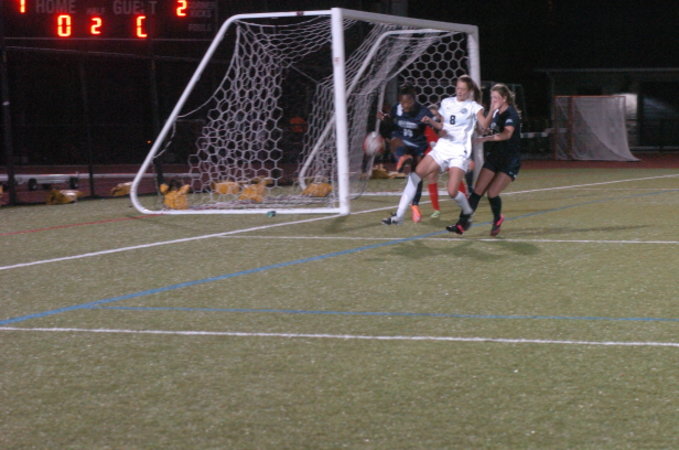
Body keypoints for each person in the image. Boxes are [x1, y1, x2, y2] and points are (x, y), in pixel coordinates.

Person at [382, 75, 484, 228]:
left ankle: (467, 211)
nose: (459, 91)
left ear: (469, 91)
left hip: (459, 152)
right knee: (415, 177)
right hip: (442, 148)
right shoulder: (447, 102)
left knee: (452, 191)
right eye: (458, 88)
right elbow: (441, 125)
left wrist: (489, 120)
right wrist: (432, 123)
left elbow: (483, 125)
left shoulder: (473, 106)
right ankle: (399, 215)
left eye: (463, 89)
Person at [452, 83, 521, 236]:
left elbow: (507, 134)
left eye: (496, 98)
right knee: (477, 191)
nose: (493, 100)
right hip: (494, 157)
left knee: (492, 193)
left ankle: (497, 218)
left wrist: (486, 138)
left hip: (509, 161)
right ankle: (461, 224)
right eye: (492, 98)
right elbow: (487, 129)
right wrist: (479, 127)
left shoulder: (511, 114)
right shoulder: (496, 113)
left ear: (504, 98)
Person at [377, 85, 434, 222]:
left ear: (414, 100)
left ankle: (414, 205)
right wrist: (385, 119)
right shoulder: (397, 108)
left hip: (417, 146)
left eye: (408, 102)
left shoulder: (423, 112)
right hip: (402, 142)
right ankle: (404, 158)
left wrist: (434, 122)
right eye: (402, 102)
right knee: (395, 141)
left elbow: (436, 126)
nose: (405, 105)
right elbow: (392, 124)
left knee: (416, 176)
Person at [423, 104, 470, 219]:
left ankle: (466, 200)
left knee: (454, 175)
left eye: (436, 115)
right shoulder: (425, 129)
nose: (434, 117)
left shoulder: (446, 125)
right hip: (435, 154)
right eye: (432, 115)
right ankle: (436, 209)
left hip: (448, 152)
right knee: (431, 176)